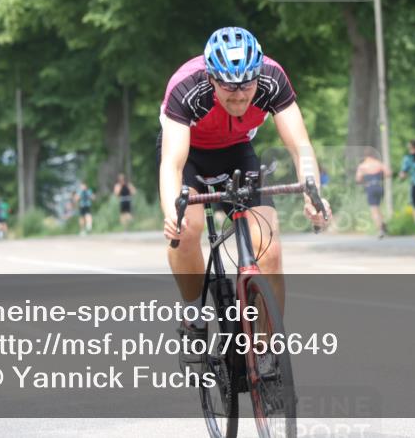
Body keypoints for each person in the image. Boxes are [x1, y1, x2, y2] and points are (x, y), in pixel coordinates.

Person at [158, 26, 332, 359]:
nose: (239, 98)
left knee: (269, 250)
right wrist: (172, 211)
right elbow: (172, 164)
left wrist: (313, 193)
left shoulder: (272, 79)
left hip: (237, 151)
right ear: (211, 79)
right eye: (229, 89)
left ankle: (265, 355)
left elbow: (300, 146)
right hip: (189, 155)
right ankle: (194, 313)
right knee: (188, 228)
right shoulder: (186, 86)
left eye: (246, 87)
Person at [356, 151, 388, 238]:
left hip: (370, 187)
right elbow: (388, 173)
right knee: (378, 207)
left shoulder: (362, 166)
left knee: (374, 210)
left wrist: (365, 181)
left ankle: (380, 230)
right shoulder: (378, 163)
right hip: (379, 186)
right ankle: (383, 223)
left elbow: (358, 179)